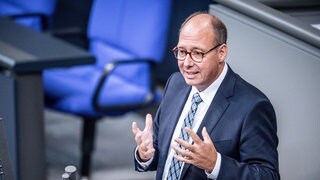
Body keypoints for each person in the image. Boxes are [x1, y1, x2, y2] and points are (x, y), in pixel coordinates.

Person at [132, 12, 279, 180]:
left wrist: (215, 164)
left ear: (221, 53)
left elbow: (268, 176)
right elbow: (161, 152)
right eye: (181, 51)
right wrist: (146, 155)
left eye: (197, 53)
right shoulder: (176, 83)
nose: (186, 63)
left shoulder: (253, 106)